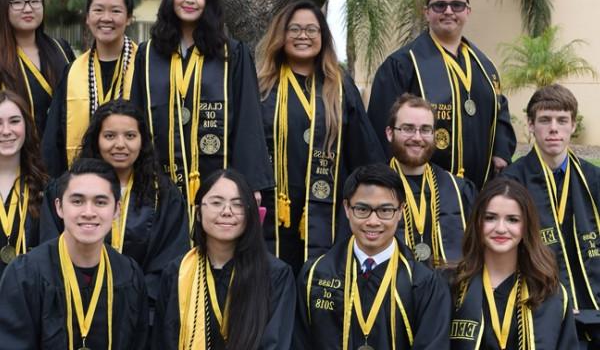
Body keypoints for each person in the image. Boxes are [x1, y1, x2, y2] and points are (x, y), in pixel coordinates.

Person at [131, 0, 272, 216]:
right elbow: (136, 117)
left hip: (219, 180)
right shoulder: (148, 54)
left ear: (210, 1)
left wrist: (249, 182)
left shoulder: (231, 53)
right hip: (158, 180)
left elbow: (247, 118)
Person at [256, 0, 385, 273]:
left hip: (330, 213)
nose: (303, 36)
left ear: (323, 37)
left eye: (312, 30)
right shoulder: (263, 87)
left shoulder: (340, 87)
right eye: (294, 29)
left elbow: (364, 151)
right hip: (276, 212)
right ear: (281, 35)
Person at [40, 99, 190, 317]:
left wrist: (132, 298)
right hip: (71, 307)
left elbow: (168, 262)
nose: (120, 144)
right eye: (110, 136)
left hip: (140, 313)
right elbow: (51, 249)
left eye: (130, 136)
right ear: (96, 140)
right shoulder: (66, 189)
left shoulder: (164, 195)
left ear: (142, 141)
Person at [368, 0, 516, 189]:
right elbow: (380, 129)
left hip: (480, 188)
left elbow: (499, 111)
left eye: (457, 5)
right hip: (419, 191)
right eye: (440, 5)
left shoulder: (484, 66)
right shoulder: (403, 64)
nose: (449, 11)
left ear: (468, 12)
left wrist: (501, 151)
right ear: (427, 12)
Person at [294, 164, 451, 349]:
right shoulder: (315, 276)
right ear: (347, 208)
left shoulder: (424, 284)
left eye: (385, 211)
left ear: (400, 211)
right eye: (362, 209)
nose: (373, 222)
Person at [0, 158, 148, 349]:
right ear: (59, 207)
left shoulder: (129, 275)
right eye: (77, 201)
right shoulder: (25, 274)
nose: (88, 212)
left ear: (116, 210)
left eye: (100, 202)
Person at [153, 169, 295, 350]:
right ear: (198, 213)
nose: (227, 211)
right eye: (216, 203)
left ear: (250, 214)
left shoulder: (275, 275)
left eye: (237, 204)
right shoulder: (177, 273)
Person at [502, 84, 600, 347]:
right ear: (531, 125)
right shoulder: (511, 182)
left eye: (562, 120)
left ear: (573, 126)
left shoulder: (594, 179)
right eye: (545, 120)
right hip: (538, 304)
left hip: (595, 303)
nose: (553, 128)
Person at [451, 178, 578, 349]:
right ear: (477, 223)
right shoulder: (452, 286)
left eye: (512, 220)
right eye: (490, 218)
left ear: (526, 226)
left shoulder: (549, 293)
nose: (501, 228)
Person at [43, 0, 138, 177]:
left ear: (129, 17)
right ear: (87, 17)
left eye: (116, 11)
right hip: (83, 188)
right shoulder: (72, 72)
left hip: (138, 186)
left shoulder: (145, 66)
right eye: (98, 10)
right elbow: (54, 141)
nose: (106, 18)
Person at [386, 93, 476, 265]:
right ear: (390, 133)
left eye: (425, 129)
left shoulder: (459, 190)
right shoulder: (371, 189)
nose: (417, 137)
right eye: (408, 128)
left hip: (450, 289)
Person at [0, 0, 75, 135]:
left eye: (34, 1)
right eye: (18, 2)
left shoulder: (61, 49)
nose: (28, 9)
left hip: (62, 153)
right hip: (16, 151)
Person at [0, 90, 47, 277]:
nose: (6, 131)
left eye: (14, 121)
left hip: (28, 296)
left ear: (27, 126)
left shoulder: (46, 187)